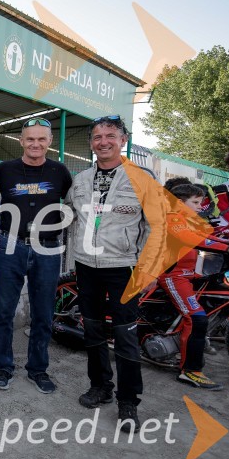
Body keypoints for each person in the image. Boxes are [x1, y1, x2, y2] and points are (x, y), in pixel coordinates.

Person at [65, 115, 167, 433]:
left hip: (124, 268)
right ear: (92, 143)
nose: (103, 141)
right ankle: (101, 387)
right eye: (97, 136)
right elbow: (71, 217)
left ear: (123, 140)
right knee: (92, 331)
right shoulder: (80, 180)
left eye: (111, 135)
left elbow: (157, 226)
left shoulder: (142, 178)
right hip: (86, 266)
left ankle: (128, 402)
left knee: (125, 337)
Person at [0, 118, 72, 394]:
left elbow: (76, 206)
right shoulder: (4, 171)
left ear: (50, 142)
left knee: (43, 314)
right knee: (3, 312)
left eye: (42, 139)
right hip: (10, 246)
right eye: (30, 139)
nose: (36, 144)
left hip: (48, 248)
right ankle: (3, 367)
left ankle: (38, 370)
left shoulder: (60, 172)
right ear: (22, 141)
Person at [158, 183, 229, 390]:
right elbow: (193, 239)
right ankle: (190, 371)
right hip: (173, 276)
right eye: (195, 202)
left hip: (190, 274)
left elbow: (207, 238)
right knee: (196, 319)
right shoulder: (172, 218)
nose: (200, 206)